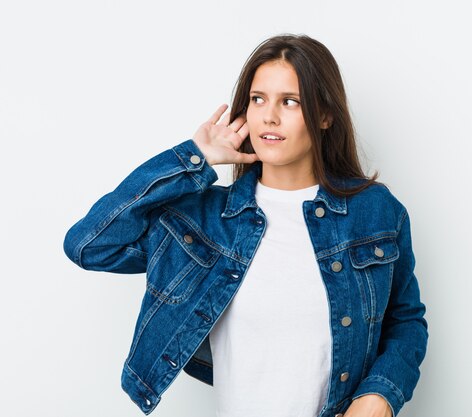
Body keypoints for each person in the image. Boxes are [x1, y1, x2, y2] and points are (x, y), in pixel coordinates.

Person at [63, 33, 428, 417]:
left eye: (290, 101)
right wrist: (196, 157)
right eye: (258, 100)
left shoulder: (375, 212)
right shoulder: (204, 221)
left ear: (324, 115)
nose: (269, 116)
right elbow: (89, 245)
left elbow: (406, 321)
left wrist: (379, 397)